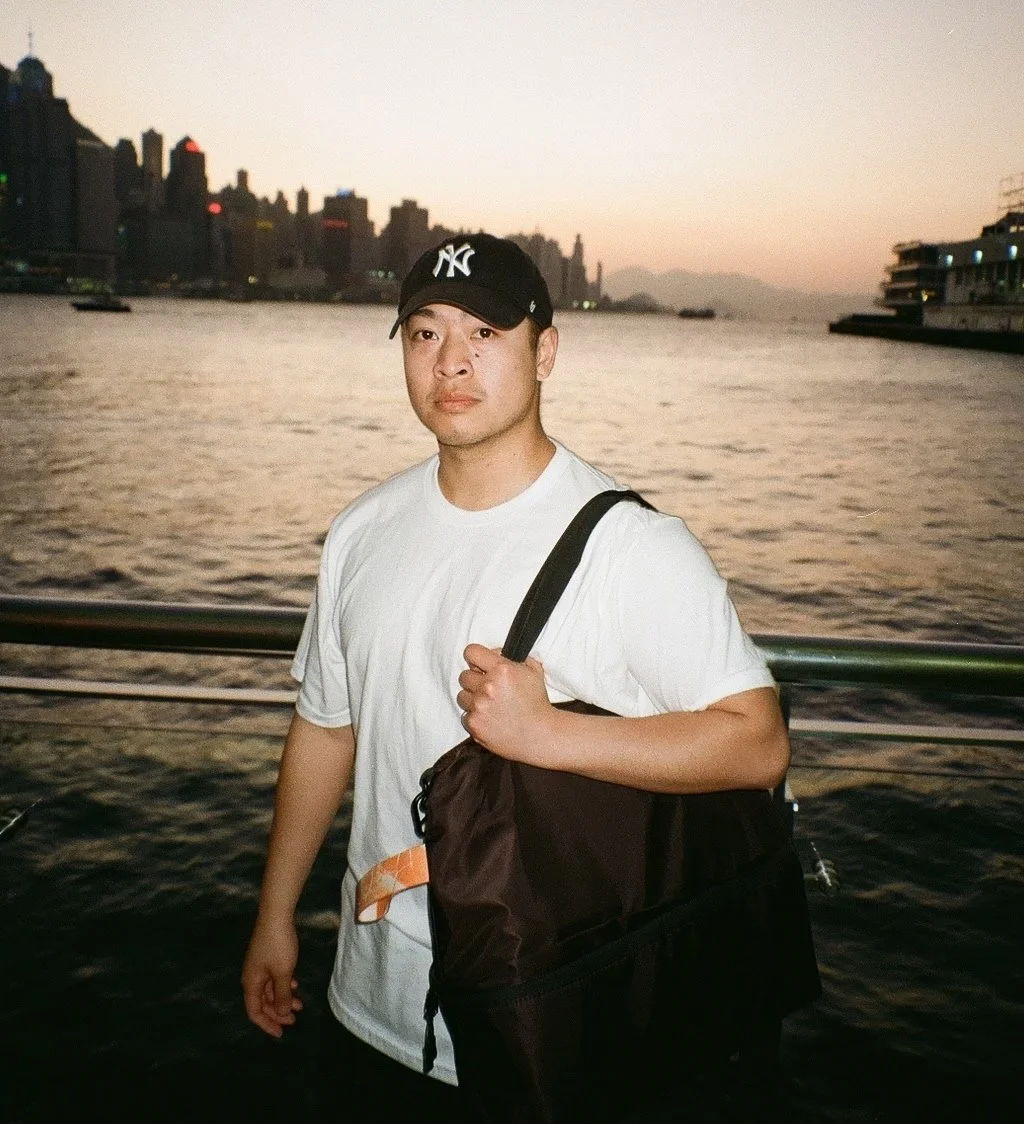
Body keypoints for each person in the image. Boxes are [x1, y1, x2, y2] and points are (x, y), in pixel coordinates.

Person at [241, 233, 790, 1117]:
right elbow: (327, 727)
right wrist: (274, 917)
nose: (450, 362)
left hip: (542, 1015)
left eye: (486, 333)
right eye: (425, 333)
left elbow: (756, 744)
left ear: (546, 352)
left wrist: (548, 733)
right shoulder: (362, 531)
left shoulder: (631, 547)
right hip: (366, 996)